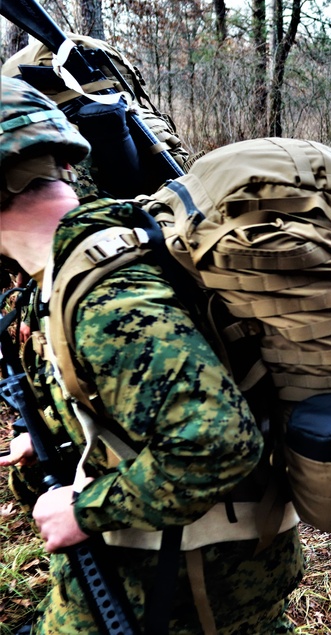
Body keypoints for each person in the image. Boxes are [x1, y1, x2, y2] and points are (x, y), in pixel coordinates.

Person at [0, 78, 303, 634]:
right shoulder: (77, 263)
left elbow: (218, 445)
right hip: (193, 569)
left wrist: (84, 511)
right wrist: (58, 429)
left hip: (181, 584)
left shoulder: (105, 298)